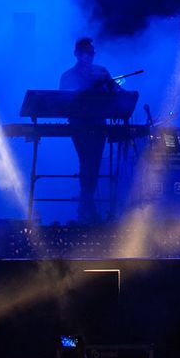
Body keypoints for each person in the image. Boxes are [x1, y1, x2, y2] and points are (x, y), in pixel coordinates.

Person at [60, 36, 120, 223]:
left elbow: (116, 92)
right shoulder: (68, 76)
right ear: (77, 54)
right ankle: (87, 204)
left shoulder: (101, 72)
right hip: (79, 124)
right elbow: (63, 102)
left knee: (93, 161)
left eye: (92, 53)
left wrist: (125, 96)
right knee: (87, 160)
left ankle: (87, 204)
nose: (90, 56)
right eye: (86, 53)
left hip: (99, 122)